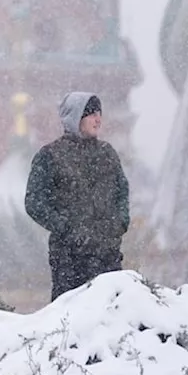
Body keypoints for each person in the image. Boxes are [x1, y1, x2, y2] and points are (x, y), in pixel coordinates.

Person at [24, 91, 131, 301]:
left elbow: (122, 192)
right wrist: (66, 228)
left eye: (99, 113)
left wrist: (119, 224)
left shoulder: (107, 154)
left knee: (110, 318)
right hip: (69, 258)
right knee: (70, 319)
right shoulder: (50, 156)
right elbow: (34, 202)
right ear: (75, 117)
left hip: (107, 255)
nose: (98, 119)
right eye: (91, 113)